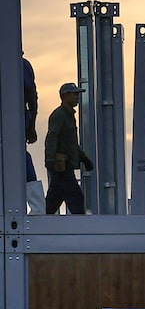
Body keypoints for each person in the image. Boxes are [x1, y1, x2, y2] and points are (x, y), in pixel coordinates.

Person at [44, 83, 94, 215]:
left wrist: (83, 158)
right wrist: (50, 160)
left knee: (54, 199)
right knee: (75, 197)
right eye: (75, 94)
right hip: (61, 166)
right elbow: (52, 137)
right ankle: (81, 228)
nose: (78, 97)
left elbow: (71, 143)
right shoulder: (59, 115)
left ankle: (41, 224)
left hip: (66, 166)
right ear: (65, 95)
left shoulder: (69, 116)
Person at [23, 53, 45, 214]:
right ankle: (38, 209)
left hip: (17, 121)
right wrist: (31, 126)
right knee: (22, 159)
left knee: (22, 159)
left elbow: (32, 96)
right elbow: (32, 96)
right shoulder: (22, 65)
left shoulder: (21, 65)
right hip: (17, 121)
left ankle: (38, 209)